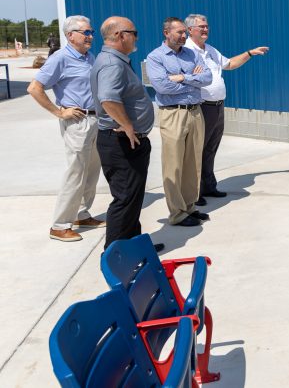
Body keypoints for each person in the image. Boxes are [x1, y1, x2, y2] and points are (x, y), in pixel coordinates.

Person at [28, 15, 103, 242]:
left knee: (91, 171)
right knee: (76, 173)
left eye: (91, 32)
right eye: (86, 33)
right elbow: (35, 88)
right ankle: (60, 225)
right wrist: (59, 112)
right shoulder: (60, 58)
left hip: (95, 120)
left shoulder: (89, 57)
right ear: (71, 35)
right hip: (77, 123)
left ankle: (81, 213)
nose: (90, 36)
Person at [91, 17, 161, 251]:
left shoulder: (116, 60)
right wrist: (129, 125)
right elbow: (108, 99)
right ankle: (116, 257)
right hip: (121, 141)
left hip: (126, 142)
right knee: (125, 200)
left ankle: (134, 249)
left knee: (132, 199)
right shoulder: (112, 63)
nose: (137, 37)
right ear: (121, 35)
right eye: (134, 32)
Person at [184, 13, 269, 205]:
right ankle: (194, 193)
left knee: (211, 148)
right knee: (197, 151)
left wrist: (249, 53)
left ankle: (209, 186)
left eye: (207, 26)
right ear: (190, 30)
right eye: (201, 27)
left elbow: (229, 64)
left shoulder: (210, 50)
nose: (206, 29)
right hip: (200, 107)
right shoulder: (186, 52)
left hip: (217, 107)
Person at [146, 17, 212, 227]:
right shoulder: (155, 57)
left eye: (185, 32)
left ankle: (189, 206)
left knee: (193, 163)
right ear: (166, 33)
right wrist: (193, 79)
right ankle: (177, 213)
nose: (184, 36)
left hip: (195, 112)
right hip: (173, 114)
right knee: (174, 164)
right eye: (179, 32)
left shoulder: (191, 53)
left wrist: (183, 78)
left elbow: (208, 78)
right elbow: (163, 87)